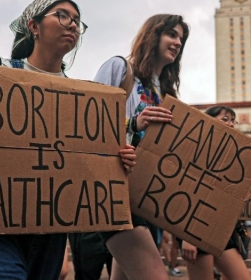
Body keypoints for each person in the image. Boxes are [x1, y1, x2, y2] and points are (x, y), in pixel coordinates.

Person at [0, 0, 137, 280]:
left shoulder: (81, 97)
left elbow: (83, 168)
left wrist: (116, 164)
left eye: (78, 22)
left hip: (48, 236)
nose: (73, 26)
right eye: (63, 15)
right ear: (34, 26)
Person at [94, 14, 190, 280]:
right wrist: (133, 123)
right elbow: (89, 121)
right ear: (153, 35)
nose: (178, 42)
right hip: (114, 188)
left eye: (181, 38)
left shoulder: (166, 91)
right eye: (172, 34)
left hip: (146, 196)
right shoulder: (119, 68)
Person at [179, 106, 251, 280]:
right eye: (225, 119)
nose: (231, 124)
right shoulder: (195, 150)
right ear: (209, 120)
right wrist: (187, 237)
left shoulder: (233, 155)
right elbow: (183, 191)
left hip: (221, 229)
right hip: (195, 229)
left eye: (233, 120)